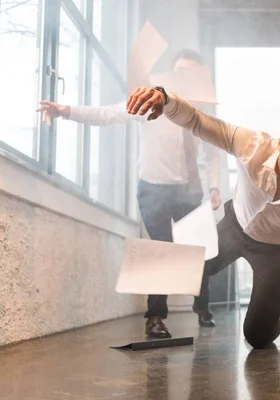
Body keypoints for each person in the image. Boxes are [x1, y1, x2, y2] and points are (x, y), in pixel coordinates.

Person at [125, 85, 280, 353]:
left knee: (258, 337)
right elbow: (199, 122)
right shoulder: (252, 146)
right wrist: (166, 98)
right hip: (234, 226)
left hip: (277, 252)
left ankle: (278, 304)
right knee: (187, 264)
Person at [36, 49, 223, 339]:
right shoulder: (149, 103)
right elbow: (107, 114)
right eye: (178, 71)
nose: (183, 78)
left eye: (190, 72)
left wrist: (214, 186)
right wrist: (65, 111)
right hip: (153, 189)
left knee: (198, 252)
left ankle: (203, 308)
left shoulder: (202, 114)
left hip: (189, 190)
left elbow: (213, 155)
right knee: (161, 249)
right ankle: (156, 318)